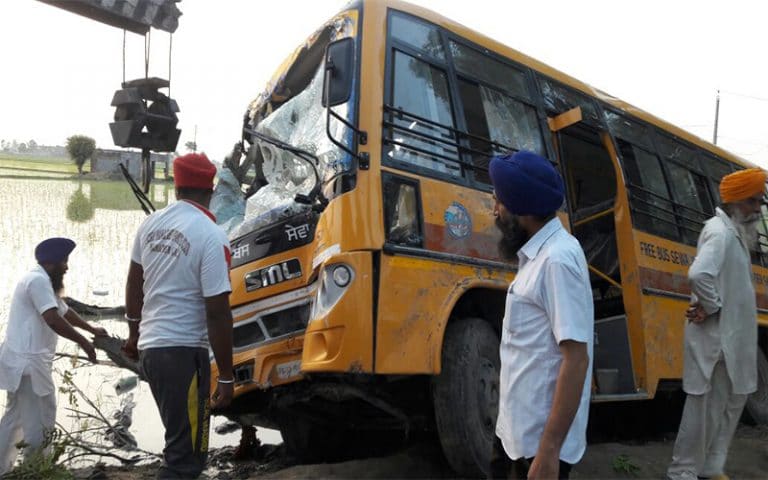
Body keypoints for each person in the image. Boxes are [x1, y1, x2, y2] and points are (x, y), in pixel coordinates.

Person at [123, 152, 234, 479]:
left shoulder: (151, 224)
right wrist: (226, 376)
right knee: (186, 459)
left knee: (181, 446)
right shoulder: (212, 236)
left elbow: (134, 281)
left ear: (177, 187)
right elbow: (217, 313)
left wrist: (134, 333)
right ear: (211, 191)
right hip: (184, 355)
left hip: (152, 352)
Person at [488, 151, 593, 480]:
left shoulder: (557, 261)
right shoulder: (538, 254)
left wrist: (549, 451)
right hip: (515, 433)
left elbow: (576, 360)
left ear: (522, 209)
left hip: (538, 447)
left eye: (499, 203)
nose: (494, 211)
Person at [666, 167, 765, 480]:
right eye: (752, 202)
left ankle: (711, 467)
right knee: (705, 410)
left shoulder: (734, 234)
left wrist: (712, 307)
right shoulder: (719, 232)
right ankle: (682, 471)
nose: (757, 209)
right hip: (717, 344)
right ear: (736, 202)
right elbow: (699, 274)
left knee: (730, 406)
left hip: (732, 343)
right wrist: (711, 307)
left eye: (760, 202)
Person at [0, 237, 106, 474]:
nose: (67, 267)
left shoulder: (41, 280)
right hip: (28, 365)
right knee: (41, 418)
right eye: (64, 261)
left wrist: (91, 330)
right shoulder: (37, 281)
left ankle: (8, 469)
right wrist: (84, 343)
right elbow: (52, 319)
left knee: (15, 417)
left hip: (23, 363)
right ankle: (37, 468)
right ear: (52, 262)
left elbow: (64, 311)